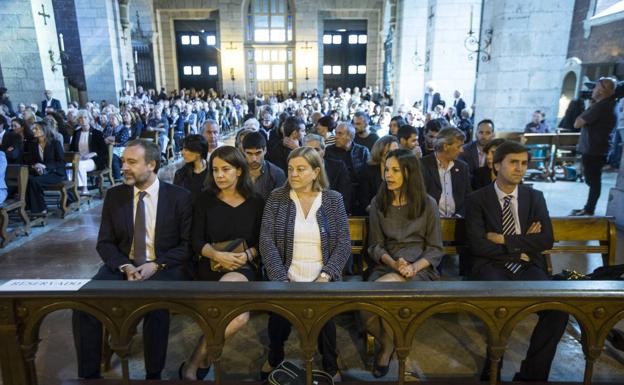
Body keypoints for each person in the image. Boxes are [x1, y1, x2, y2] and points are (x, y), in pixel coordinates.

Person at [72, 139, 192, 380]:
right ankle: (89, 375)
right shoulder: (115, 195)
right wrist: (126, 266)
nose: (124, 167)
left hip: (162, 265)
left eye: (131, 162)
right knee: (84, 304)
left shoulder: (179, 197)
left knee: (155, 305)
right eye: (123, 161)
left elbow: (187, 245)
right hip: (122, 264)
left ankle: (153, 374)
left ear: (151, 164)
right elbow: (104, 242)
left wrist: (156, 265)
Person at [465, 141, 569, 382]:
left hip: (527, 266)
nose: (520, 168)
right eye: (513, 162)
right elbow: (478, 245)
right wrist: (521, 246)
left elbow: (546, 239)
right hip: (491, 267)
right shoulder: (477, 199)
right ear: (497, 164)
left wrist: (504, 239)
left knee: (558, 311)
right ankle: (493, 369)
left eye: (523, 163)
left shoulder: (534, 197)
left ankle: (532, 374)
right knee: (502, 305)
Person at [259, 147, 350, 381]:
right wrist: (281, 279)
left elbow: (343, 244)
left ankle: (330, 364)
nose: (294, 174)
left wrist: (326, 275)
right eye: (290, 169)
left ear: (315, 172)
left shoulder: (332, 199)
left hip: (322, 276)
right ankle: (274, 356)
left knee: (326, 322)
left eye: (301, 169)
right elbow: (266, 241)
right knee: (278, 320)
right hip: (287, 274)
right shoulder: (277, 198)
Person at [181, 146, 264, 380]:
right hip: (210, 264)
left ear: (239, 171)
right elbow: (195, 240)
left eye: (226, 169)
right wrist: (218, 256)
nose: (219, 175)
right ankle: (207, 356)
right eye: (215, 170)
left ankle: (196, 359)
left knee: (237, 316)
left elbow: (261, 241)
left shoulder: (256, 201)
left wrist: (246, 256)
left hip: (244, 265)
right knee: (230, 312)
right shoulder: (204, 199)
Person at [365, 148, 443, 377]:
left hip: (420, 268)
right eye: (386, 169)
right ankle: (395, 347)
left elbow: (436, 249)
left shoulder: (427, 204)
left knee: (384, 294)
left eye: (395, 170)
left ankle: (391, 351)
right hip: (386, 266)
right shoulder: (379, 202)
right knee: (365, 313)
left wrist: (413, 267)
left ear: (409, 173)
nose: (388, 175)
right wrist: (393, 263)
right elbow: (375, 246)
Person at [571, 77, 618, 215]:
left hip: (594, 149)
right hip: (598, 148)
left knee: (593, 180)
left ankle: (589, 209)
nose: (593, 89)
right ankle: (588, 208)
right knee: (592, 179)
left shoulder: (601, 106)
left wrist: (590, 107)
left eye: (596, 86)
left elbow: (577, 123)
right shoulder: (609, 104)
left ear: (603, 90)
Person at [420, 127, 471, 217]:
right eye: (458, 146)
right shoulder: (422, 165)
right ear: (445, 146)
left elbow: (468, 197)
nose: (462, 150)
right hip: (430, 222)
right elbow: (418, 198)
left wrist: (459, 216)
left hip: (458, 223)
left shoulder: (463, 167)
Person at [324, 122, 370, 215]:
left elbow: (368, 176)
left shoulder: (362, 151)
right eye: (336, 133)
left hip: (359, 195)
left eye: (340, 133)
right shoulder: (329, 151)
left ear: (350, 136)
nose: (335, 136)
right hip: (338, 195)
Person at [302, 133, 351, 213]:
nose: (313, 153)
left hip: (333, 214)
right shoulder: (297, 169)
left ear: (323, 151)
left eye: (316, 150)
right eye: (309, 150)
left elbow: (345, 196)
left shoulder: (338, 167)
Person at [26, 122, 66, 214]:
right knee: (27, 179)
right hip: (39, 173)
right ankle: (31, 207)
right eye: (33, 129)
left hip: (55, 173)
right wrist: (35, 167)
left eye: (36, 128)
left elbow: (61, 162)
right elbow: (31, 161)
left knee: (34, 181)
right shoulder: (33, 145)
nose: (33, 130)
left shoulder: (55, 143)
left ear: (44, 130)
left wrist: (45, 166)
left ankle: (40, 209)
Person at [70, 110, 108, 195]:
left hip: (93, 160)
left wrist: (93, 153)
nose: (82, 120)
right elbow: (72, 148)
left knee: (80, 165)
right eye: (80, 118)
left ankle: (84, 189)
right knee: (69, 165)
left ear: (89, 119)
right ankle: (72, 189)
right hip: (79, 158)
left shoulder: (96, 133)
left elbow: (104, 150)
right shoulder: (76, 133)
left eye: (85, 117)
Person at [242, 131, 286, 199]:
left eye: (258, 153)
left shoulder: (277, 174)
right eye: (249, 153)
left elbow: (280, 203)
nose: (254, 159)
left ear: (265, 150)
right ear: (243, 151)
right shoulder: (236, 172)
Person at [361, 135, 399, 210]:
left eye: (396, 151)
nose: (394, 155)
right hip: (375, 212)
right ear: (380, 152)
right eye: (389, 152)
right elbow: (364, 200)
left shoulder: (402, 170)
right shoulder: (368, 171)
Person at [173, 134, 208, 203]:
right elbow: (176, 199)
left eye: (186, 150)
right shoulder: (180, 174)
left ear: (198, 152)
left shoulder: (213, 171)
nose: (182, 152)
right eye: (182, 149)